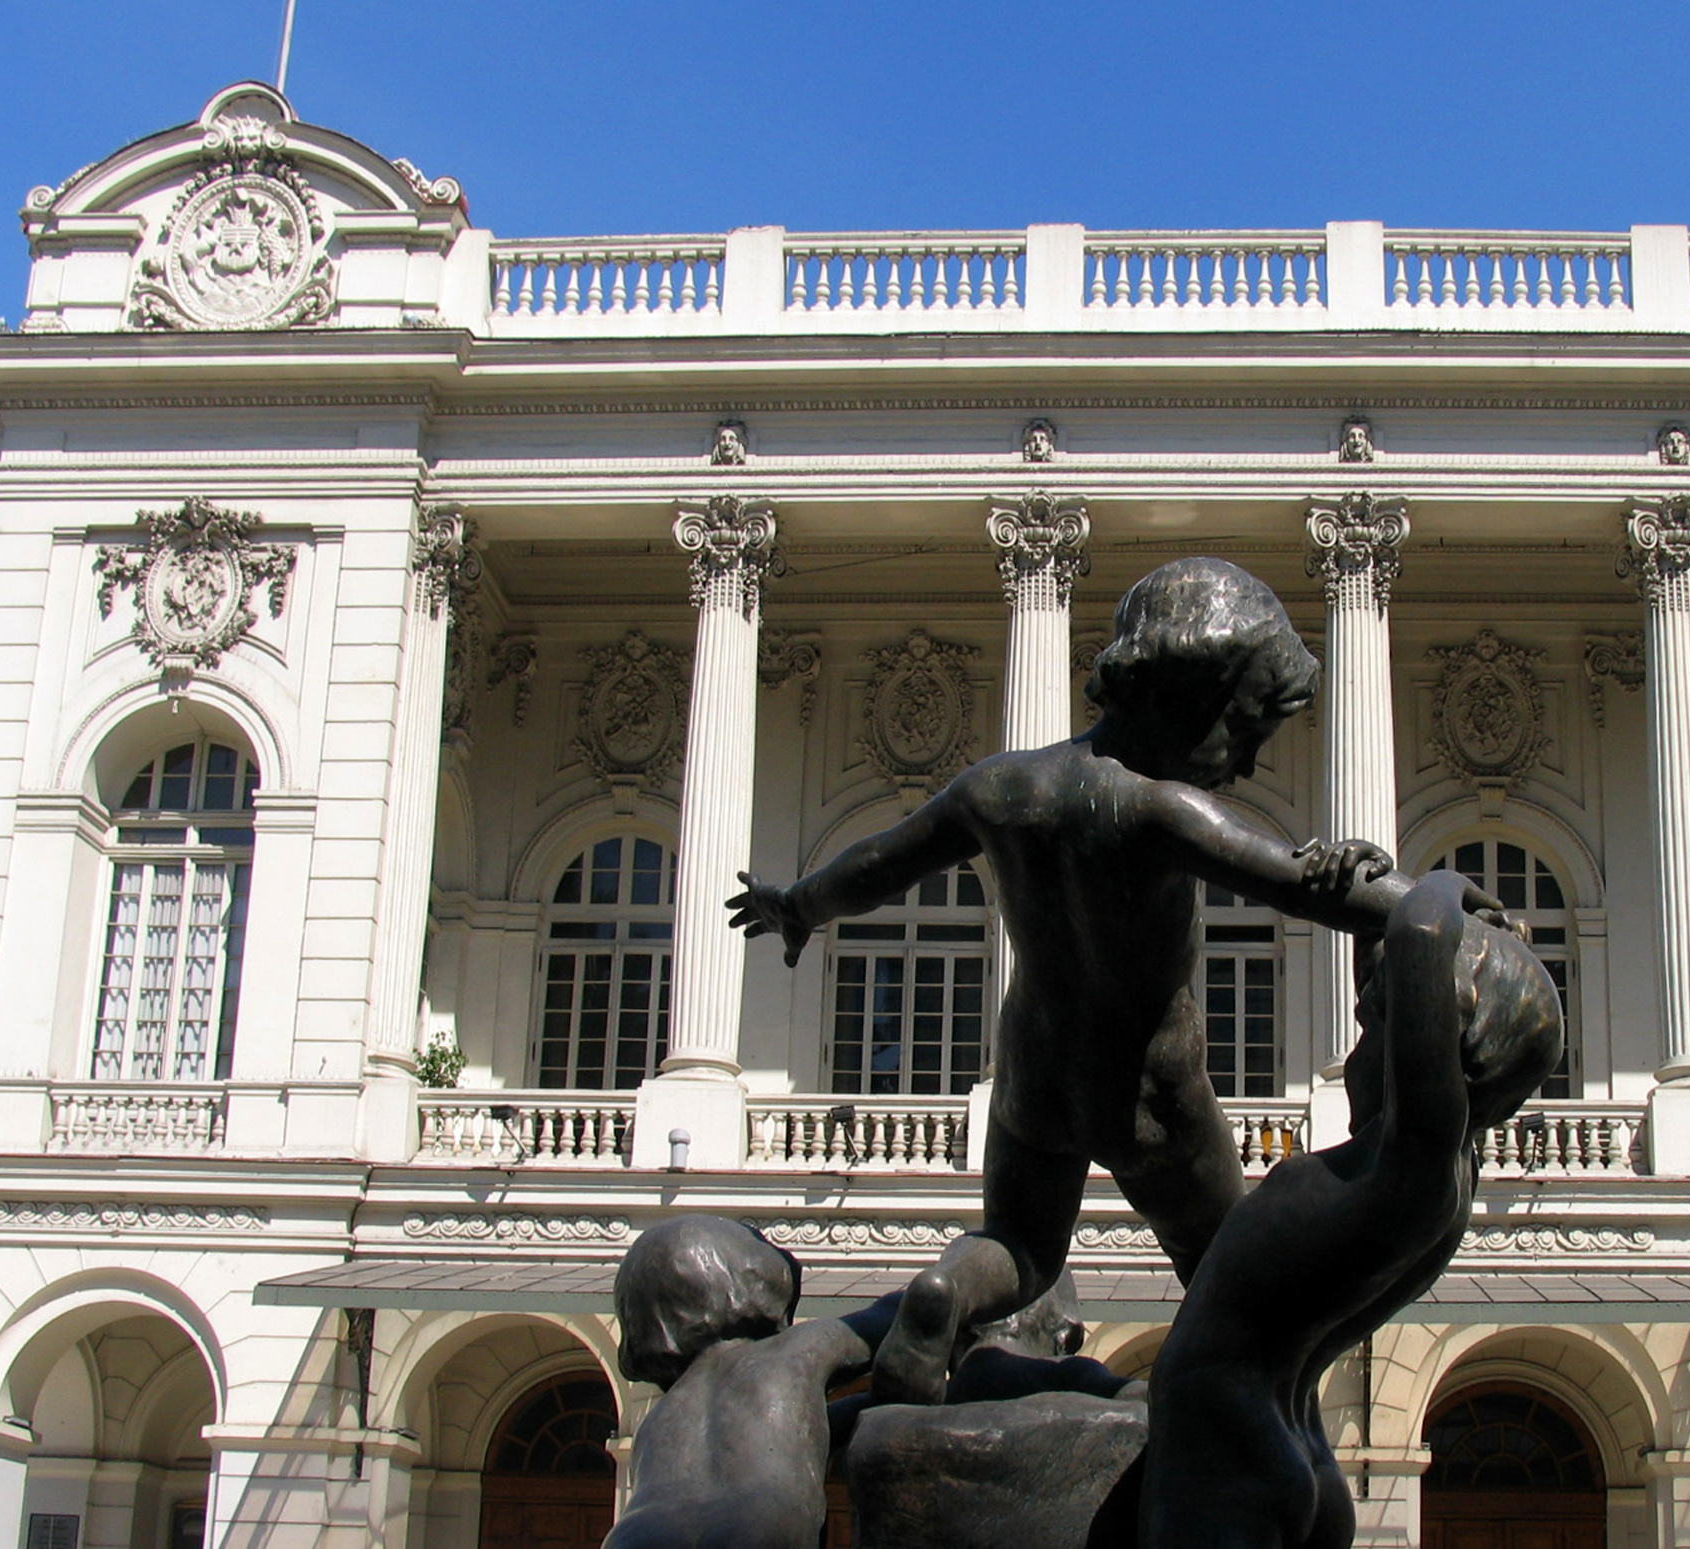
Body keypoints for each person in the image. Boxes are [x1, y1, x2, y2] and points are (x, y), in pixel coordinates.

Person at [729, 558, 1484, 1404]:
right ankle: (1248, 1429)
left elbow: (880, 861)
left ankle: (945, 1290)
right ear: (1190, 697)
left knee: (1019, 1250)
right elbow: (1303, 885)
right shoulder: (1158, 809)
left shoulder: (1000, 786)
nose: (1240, 765)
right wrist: (1425, 899)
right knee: (1227, 1265)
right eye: (1241, 732)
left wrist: (797, 906)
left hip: (1034, 1076)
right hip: (1147, 1091)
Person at [1138, 870, 1562, 1549]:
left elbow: (1421, 936)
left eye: (1372, 1027)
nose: (1357, 1049)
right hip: (1286, 1441)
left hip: (1224, 1447)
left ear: (1427, 1042)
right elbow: (1409, 952)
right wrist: (1368, 886)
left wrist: (1447, 885)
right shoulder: (1432, 1181)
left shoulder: (1412, 1165)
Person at [604, 1216, 902, 1549]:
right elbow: (897, 1316)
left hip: (636, 1536)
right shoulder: (796, 1350)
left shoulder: (656, 1422)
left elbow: (794, 1436)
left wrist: (869, 1404)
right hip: (757, 1529)